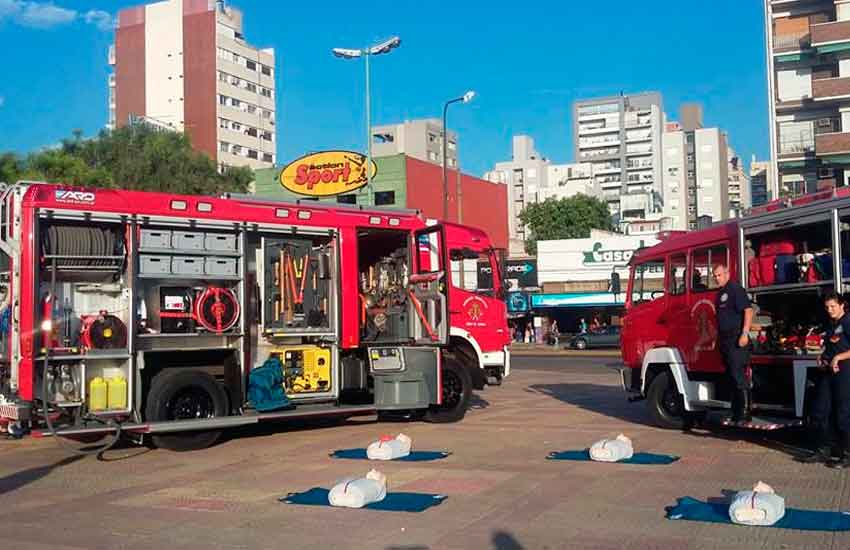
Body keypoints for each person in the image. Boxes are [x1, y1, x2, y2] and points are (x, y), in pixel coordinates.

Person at [800, 293, 850, 467]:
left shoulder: (847, 322)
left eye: (833, 307)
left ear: (842, 305)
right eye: (827, 307)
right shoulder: (832, 325)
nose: (830, 310)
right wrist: (822, 356)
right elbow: (831, 346)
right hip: (828, 372)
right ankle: (823, 450)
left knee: (843, 414)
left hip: (844, 372)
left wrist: (839, 357)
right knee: (820, 411)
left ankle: (846, 454)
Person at [712, 263, 753, 423]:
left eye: (719, 275)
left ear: (727, 273)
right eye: (715, 276)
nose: (717, 278)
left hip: (737, 337)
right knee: (730, 375)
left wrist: (744, 333)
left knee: (738, 374)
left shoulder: (735, 289)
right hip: (725, 339)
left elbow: (748, 311)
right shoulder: (720, 293)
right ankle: (735, 411)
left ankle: (745, 412)